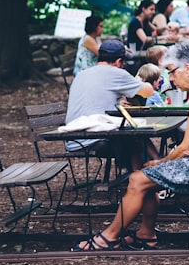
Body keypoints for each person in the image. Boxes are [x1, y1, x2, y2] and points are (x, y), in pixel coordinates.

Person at [73, 40, 189, 251]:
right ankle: (146, 234)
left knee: (138, 178)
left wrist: (161, 162)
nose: (171, 79)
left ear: (188, 69)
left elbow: (186, 148)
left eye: (172, 72)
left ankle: (109, 237)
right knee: (146, 175)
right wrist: (159, 165)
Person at [65, 40, 155, 169]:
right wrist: (139, 80)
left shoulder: (81, 74)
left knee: (128, 134)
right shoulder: (117, 73)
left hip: (72, 139)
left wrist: (117, 102)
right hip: (95, 138)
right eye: (123, 62)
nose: (123, 65)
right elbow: (148, 91)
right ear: (118, 62)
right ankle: (144, 173)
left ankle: (143, 171)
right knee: (134, 134)